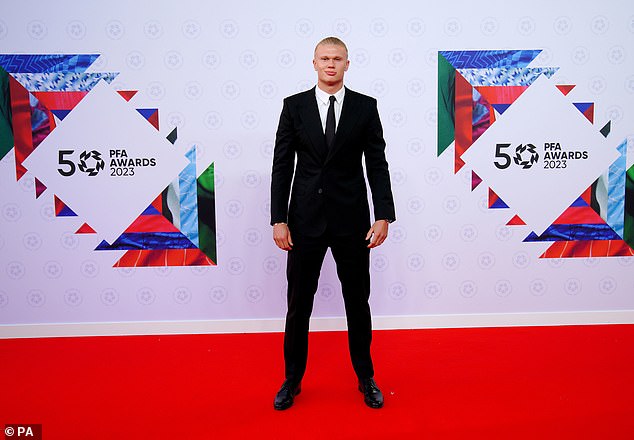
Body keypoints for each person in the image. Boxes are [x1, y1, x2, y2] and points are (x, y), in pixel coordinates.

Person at [270, 36, 396, 410]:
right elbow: (282, 165)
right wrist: (279, 219)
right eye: (324, 58)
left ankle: (366, 377)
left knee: (358, 302)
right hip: (304, 221)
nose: (330, 64)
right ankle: (291, 381)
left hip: (351, 222)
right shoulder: (293, 108)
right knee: (298, 306)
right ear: (313, 63)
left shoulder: (365, 107)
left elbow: (377, 163)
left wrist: (384, 214)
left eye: (337, 59)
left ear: (347, 64)